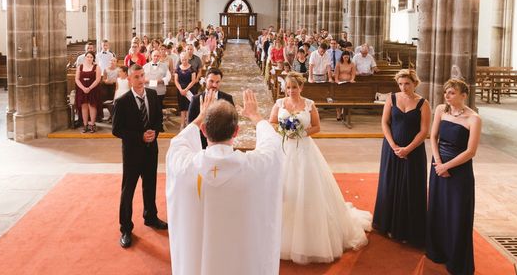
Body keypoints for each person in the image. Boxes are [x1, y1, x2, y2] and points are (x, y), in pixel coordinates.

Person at [166, 90, 284, 275]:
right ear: (236, 131)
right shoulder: (253, 167)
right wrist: (255, 116)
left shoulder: (185, 166)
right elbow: (273, 145)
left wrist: (200, 117)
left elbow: (178, 143)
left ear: (204, 131)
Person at [268, 72, 371, 264]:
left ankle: (311, 236)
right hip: (284, 150)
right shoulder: (279, 103)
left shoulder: (309, 104)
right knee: (285, 191)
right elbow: (272, 122)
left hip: (304, 149)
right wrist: (284, 130)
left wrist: (301, 132)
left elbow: (317, 127)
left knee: (308, 189)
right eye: (288, 87)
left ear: (301, 88)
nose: (291, 91)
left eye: (294, 87)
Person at [426, 78, 481, 275]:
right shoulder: (441, 110)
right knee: (438, 209)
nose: (447, 96)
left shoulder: (473, 119)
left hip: (460, 172)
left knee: (458, 214)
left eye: (452, 93)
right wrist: (439, 163)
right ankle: (437, 250)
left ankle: (456, 260)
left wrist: (447, 166)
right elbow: (433, 137)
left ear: (464, 95)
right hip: (438, 166)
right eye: (446, 92)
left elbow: (471, 151)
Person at [112, 64, 167, 249]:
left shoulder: (152, 95)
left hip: (151, 150)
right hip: (132, 153)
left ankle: (150, 216)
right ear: (129, 79)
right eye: (136, 77)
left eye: (142, 75)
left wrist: (154, 133)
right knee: (128, 191)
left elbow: (158, 119)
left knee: (150, 186)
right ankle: (126, 228)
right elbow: (116, 130)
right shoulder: (122, 101)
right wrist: (139, 136)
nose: (141, 80)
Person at [373, 69, 430, 247]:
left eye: (407, 84)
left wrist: (408, 149)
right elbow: (385, 123)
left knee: (410, 187)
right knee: (389, 184)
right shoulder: (391, 98)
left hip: (413, 151)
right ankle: (387, 224)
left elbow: (424, 131)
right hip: (392, 149)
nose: (403, 87)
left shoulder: (423, 103)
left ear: (414, 83)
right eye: (400, 84)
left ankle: (407, 229)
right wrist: (393, 145)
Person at [188, 68, 234, 148]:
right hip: (201, 143)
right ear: (205, 80)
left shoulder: (227, 98)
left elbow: (232, 122)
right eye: (211, 81)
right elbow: (190, 124)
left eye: (217, 82)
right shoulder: (196, 99)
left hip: (223, 143)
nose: (214, 85)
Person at [75, 51, 102, 133]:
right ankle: (85, 125)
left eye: (91, 57)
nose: (89, 58)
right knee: (84, 106)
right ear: (85, 57)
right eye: (88, 57)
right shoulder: (80, 67)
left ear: (93, 58)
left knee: (92, 106)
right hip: (82, 89)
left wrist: (89, 88)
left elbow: (98, 79)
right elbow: (77, 79)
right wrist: (83, 88)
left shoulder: (96, 67)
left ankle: (92, 125)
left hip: (93, 89)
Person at [174, 52, 197, 129]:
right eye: (183, 60)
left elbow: (193, 80)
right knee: (182, 108)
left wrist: (186, 89)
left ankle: (188, 124)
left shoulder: (192, 68)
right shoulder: (178, 68)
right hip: (180, 91)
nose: (184, 61)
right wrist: (181, 89)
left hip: (189, 90)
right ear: (180, 60)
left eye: (186, 59)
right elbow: (176, 80)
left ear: (188, 59)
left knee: (188, 108)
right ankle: (182, 124)